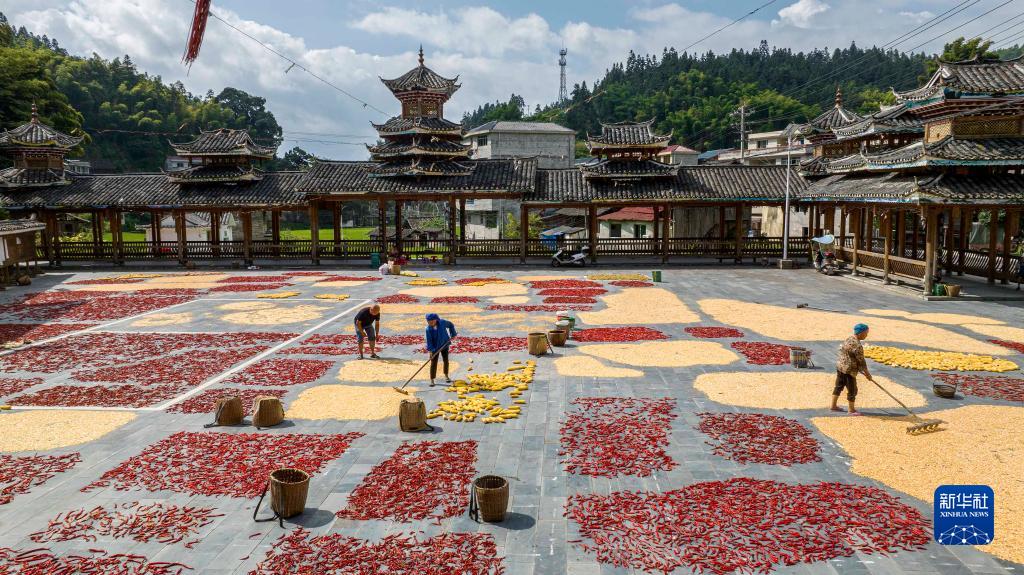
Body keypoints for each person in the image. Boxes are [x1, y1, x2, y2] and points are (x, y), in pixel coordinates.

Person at [831, 323, 875, 416]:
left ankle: (833, 406)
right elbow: (861, 361)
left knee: (838, 386)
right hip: (849, 371)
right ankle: (851, 410)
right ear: (860, 333)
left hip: (840, 367)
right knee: (852, 390)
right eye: (866, 333)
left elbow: (847, 353)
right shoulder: (858, 345)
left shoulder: (849, 339)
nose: (866, 335)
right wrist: (868, 374)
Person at [424, 313, 457, 387]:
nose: (430, 323)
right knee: (433, 363)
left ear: (436, 320)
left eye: (432, 321)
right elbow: (429, 341)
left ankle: (446, 376)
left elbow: (451, 324)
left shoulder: (442, 322)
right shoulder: (428, 329)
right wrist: (431, 351)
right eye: (428, 322)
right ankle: (432, 380)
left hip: (444, 344)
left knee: (446, 360)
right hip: (435, 348)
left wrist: (453, 333)